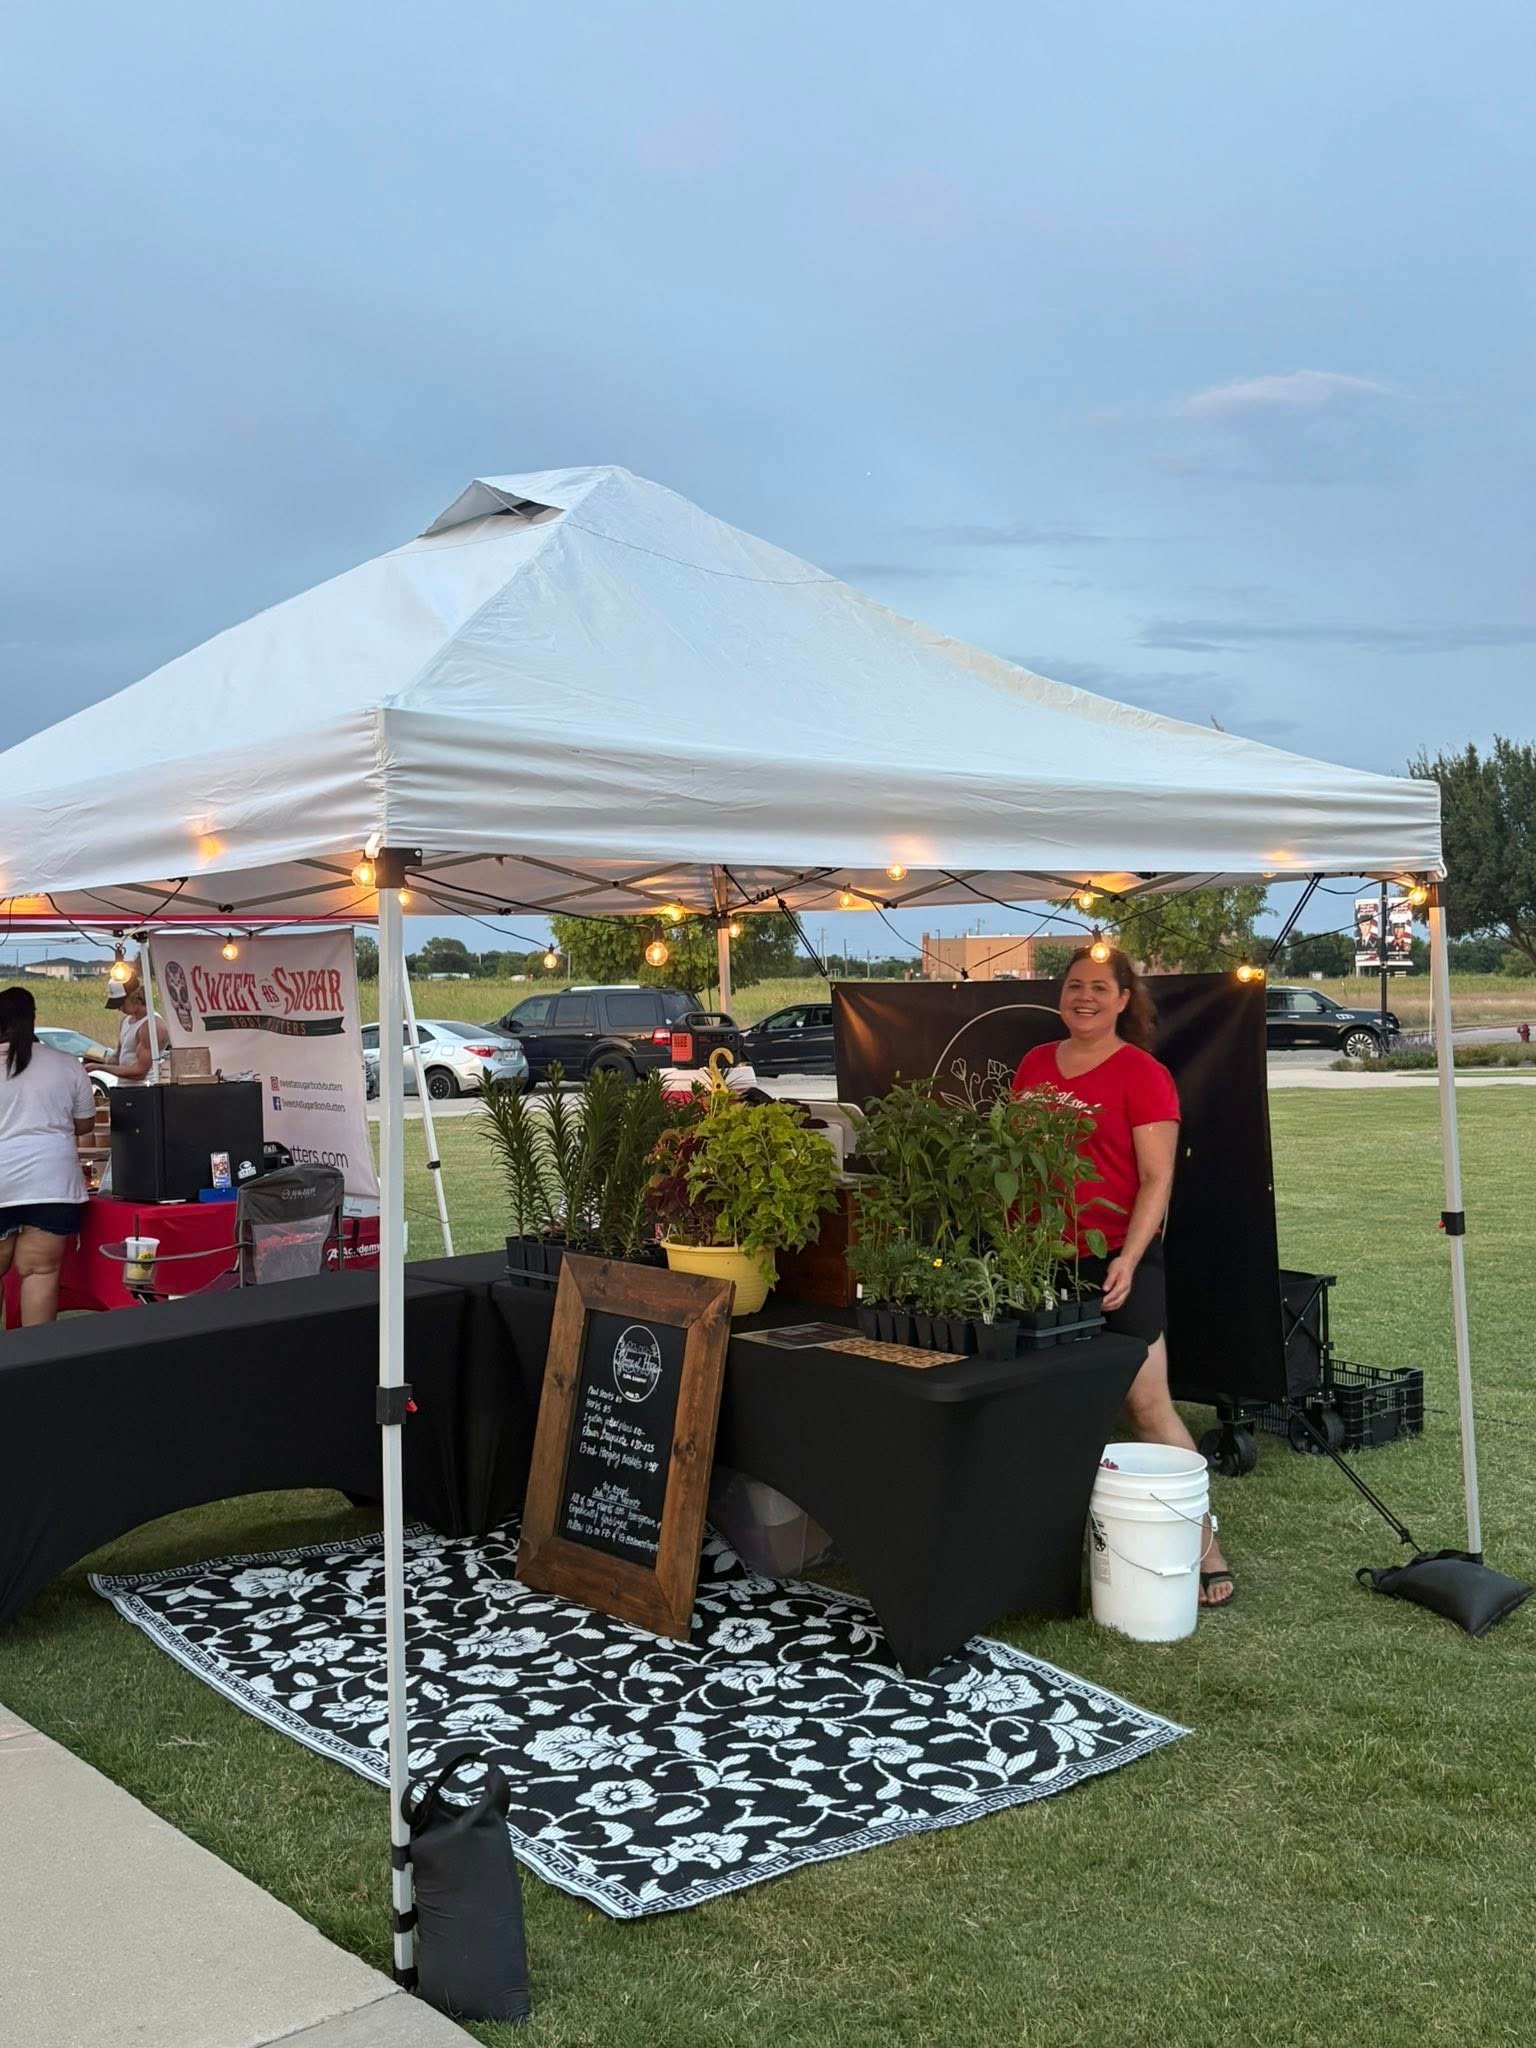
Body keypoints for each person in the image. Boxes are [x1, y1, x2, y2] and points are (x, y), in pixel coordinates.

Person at [1011, 944, 1235, 1607]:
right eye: (1075, 985)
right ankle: (1051, 1555)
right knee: (1046, 1414)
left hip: (1114, 1260)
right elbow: (1015, 1160)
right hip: (1040, 1264)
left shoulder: (1143, 1074)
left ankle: (1205, 1549)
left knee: (1148, 1408)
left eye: (1099, 987)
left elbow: (1159, 1178)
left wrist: (1129, 1261)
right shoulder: (1033, 1066)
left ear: (1124, 1000)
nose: (1085, 996)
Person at [0, 985, 97, 1326]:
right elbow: (85, 1124)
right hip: (51, 1181)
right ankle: (34, 1368)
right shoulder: (66, 1063)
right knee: (40, 1272)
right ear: (33, 1019)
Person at [94, 973, 169, 1084]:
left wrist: (99, 1068)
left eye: (121, 1003)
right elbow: (118, 1057)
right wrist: (95, 1063)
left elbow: (140, 1072)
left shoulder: (151, 1026)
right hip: (124, 1087)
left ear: (134, 997)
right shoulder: (126, 1021)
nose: (119, 1008)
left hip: (145, 1090)